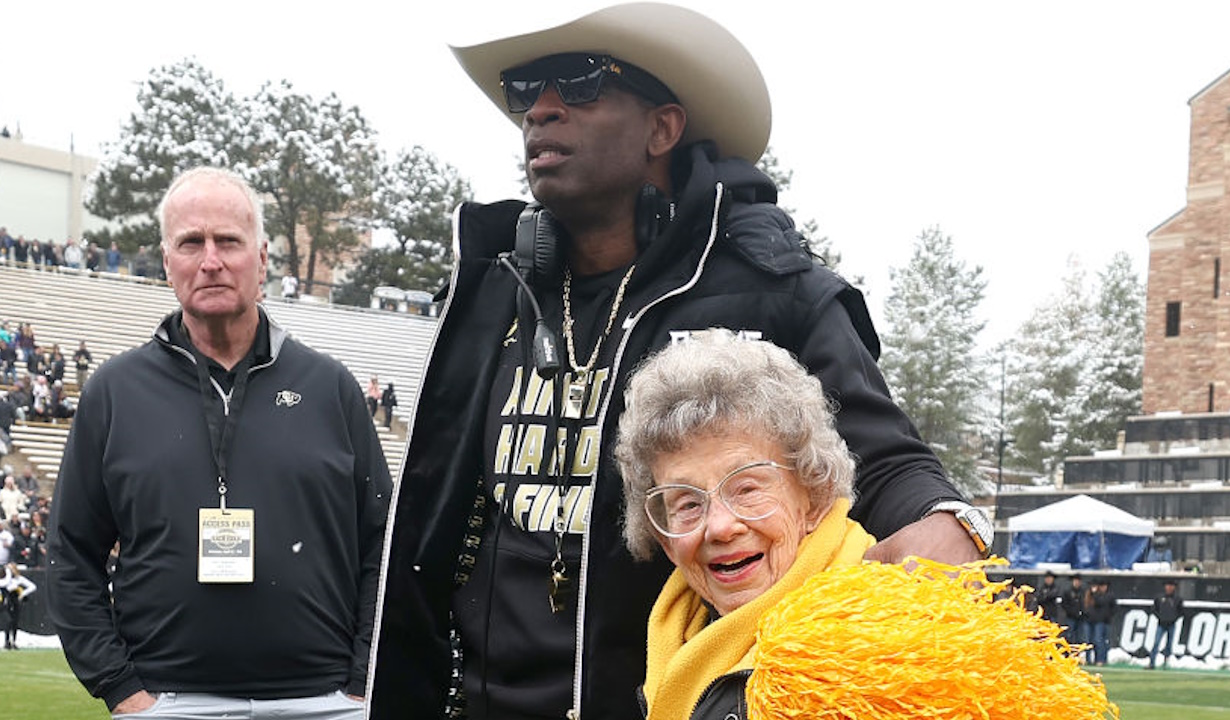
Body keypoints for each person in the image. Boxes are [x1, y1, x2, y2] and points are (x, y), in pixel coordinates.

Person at [368, 5, 986, 719]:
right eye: (525, 91)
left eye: (577, 82)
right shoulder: (487, 292)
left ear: (663, 127)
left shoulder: (771, 289)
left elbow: (883, 460)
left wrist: (944, 519)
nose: (539, 110)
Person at [613, 331, 1114, 719]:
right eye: (685, 502)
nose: (719, 526)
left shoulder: (886, 640)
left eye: (747, 488)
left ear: (813, 494)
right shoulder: (677, 631)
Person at [47, 166, 392, 719]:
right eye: (191, 242)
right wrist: (122, 690)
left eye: (228, 241)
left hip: (325, 702)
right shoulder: (113, 392)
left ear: (260, 260)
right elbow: (71, 554)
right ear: (167, 262)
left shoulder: (331, 388)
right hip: (168, 702)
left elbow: (385, 545)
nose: (210, 261)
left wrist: (360, 681)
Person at [1, 562, 37, 650]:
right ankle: (7, 641)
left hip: (15, 601)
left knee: (15, 621)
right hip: (6, 601)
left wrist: (22, 594)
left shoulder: (19, 579)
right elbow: (4, 584)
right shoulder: (5, 579)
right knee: (8, 621)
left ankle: (14, 641)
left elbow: (32, 586)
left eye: (10, 569)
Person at [1149, 579, 1184, 669]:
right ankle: (1152, 662)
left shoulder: (1177, 599)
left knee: (1169, 644)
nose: (1169, 588)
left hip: (1171, 624)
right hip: (1161, 624)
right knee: (1156, 643)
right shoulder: (1159, 598)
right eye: (1168, 586)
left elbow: (1181, 611)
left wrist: (1174, 618)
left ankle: (1166, 662)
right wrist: (1160, 616)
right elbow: (1154, 609)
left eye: (1171, 586)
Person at [1084, 578, 1116, 666]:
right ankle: (1088, 659)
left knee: (1099, 641)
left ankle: (1100, 659)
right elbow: (1084, 606)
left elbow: (1102, 603)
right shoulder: (1087, 595)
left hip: (1100, 620)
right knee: (1088, 641)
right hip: (1090, 620)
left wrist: (1108, 616)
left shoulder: (1103, 596)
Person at [1061, 574, 1086, 644]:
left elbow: (1085, 603)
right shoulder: (1068, 591)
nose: (1077, 583)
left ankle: (1077, 652)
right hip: (1070, 617)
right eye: (1075, 581)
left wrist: (1082, 612)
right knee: (1069, 635)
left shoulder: (1083, 592)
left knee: (1079, 636)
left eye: (1078, 581)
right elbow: (1064, 604)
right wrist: (1070, 612)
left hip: (1080, 618)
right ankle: (1068, 652)